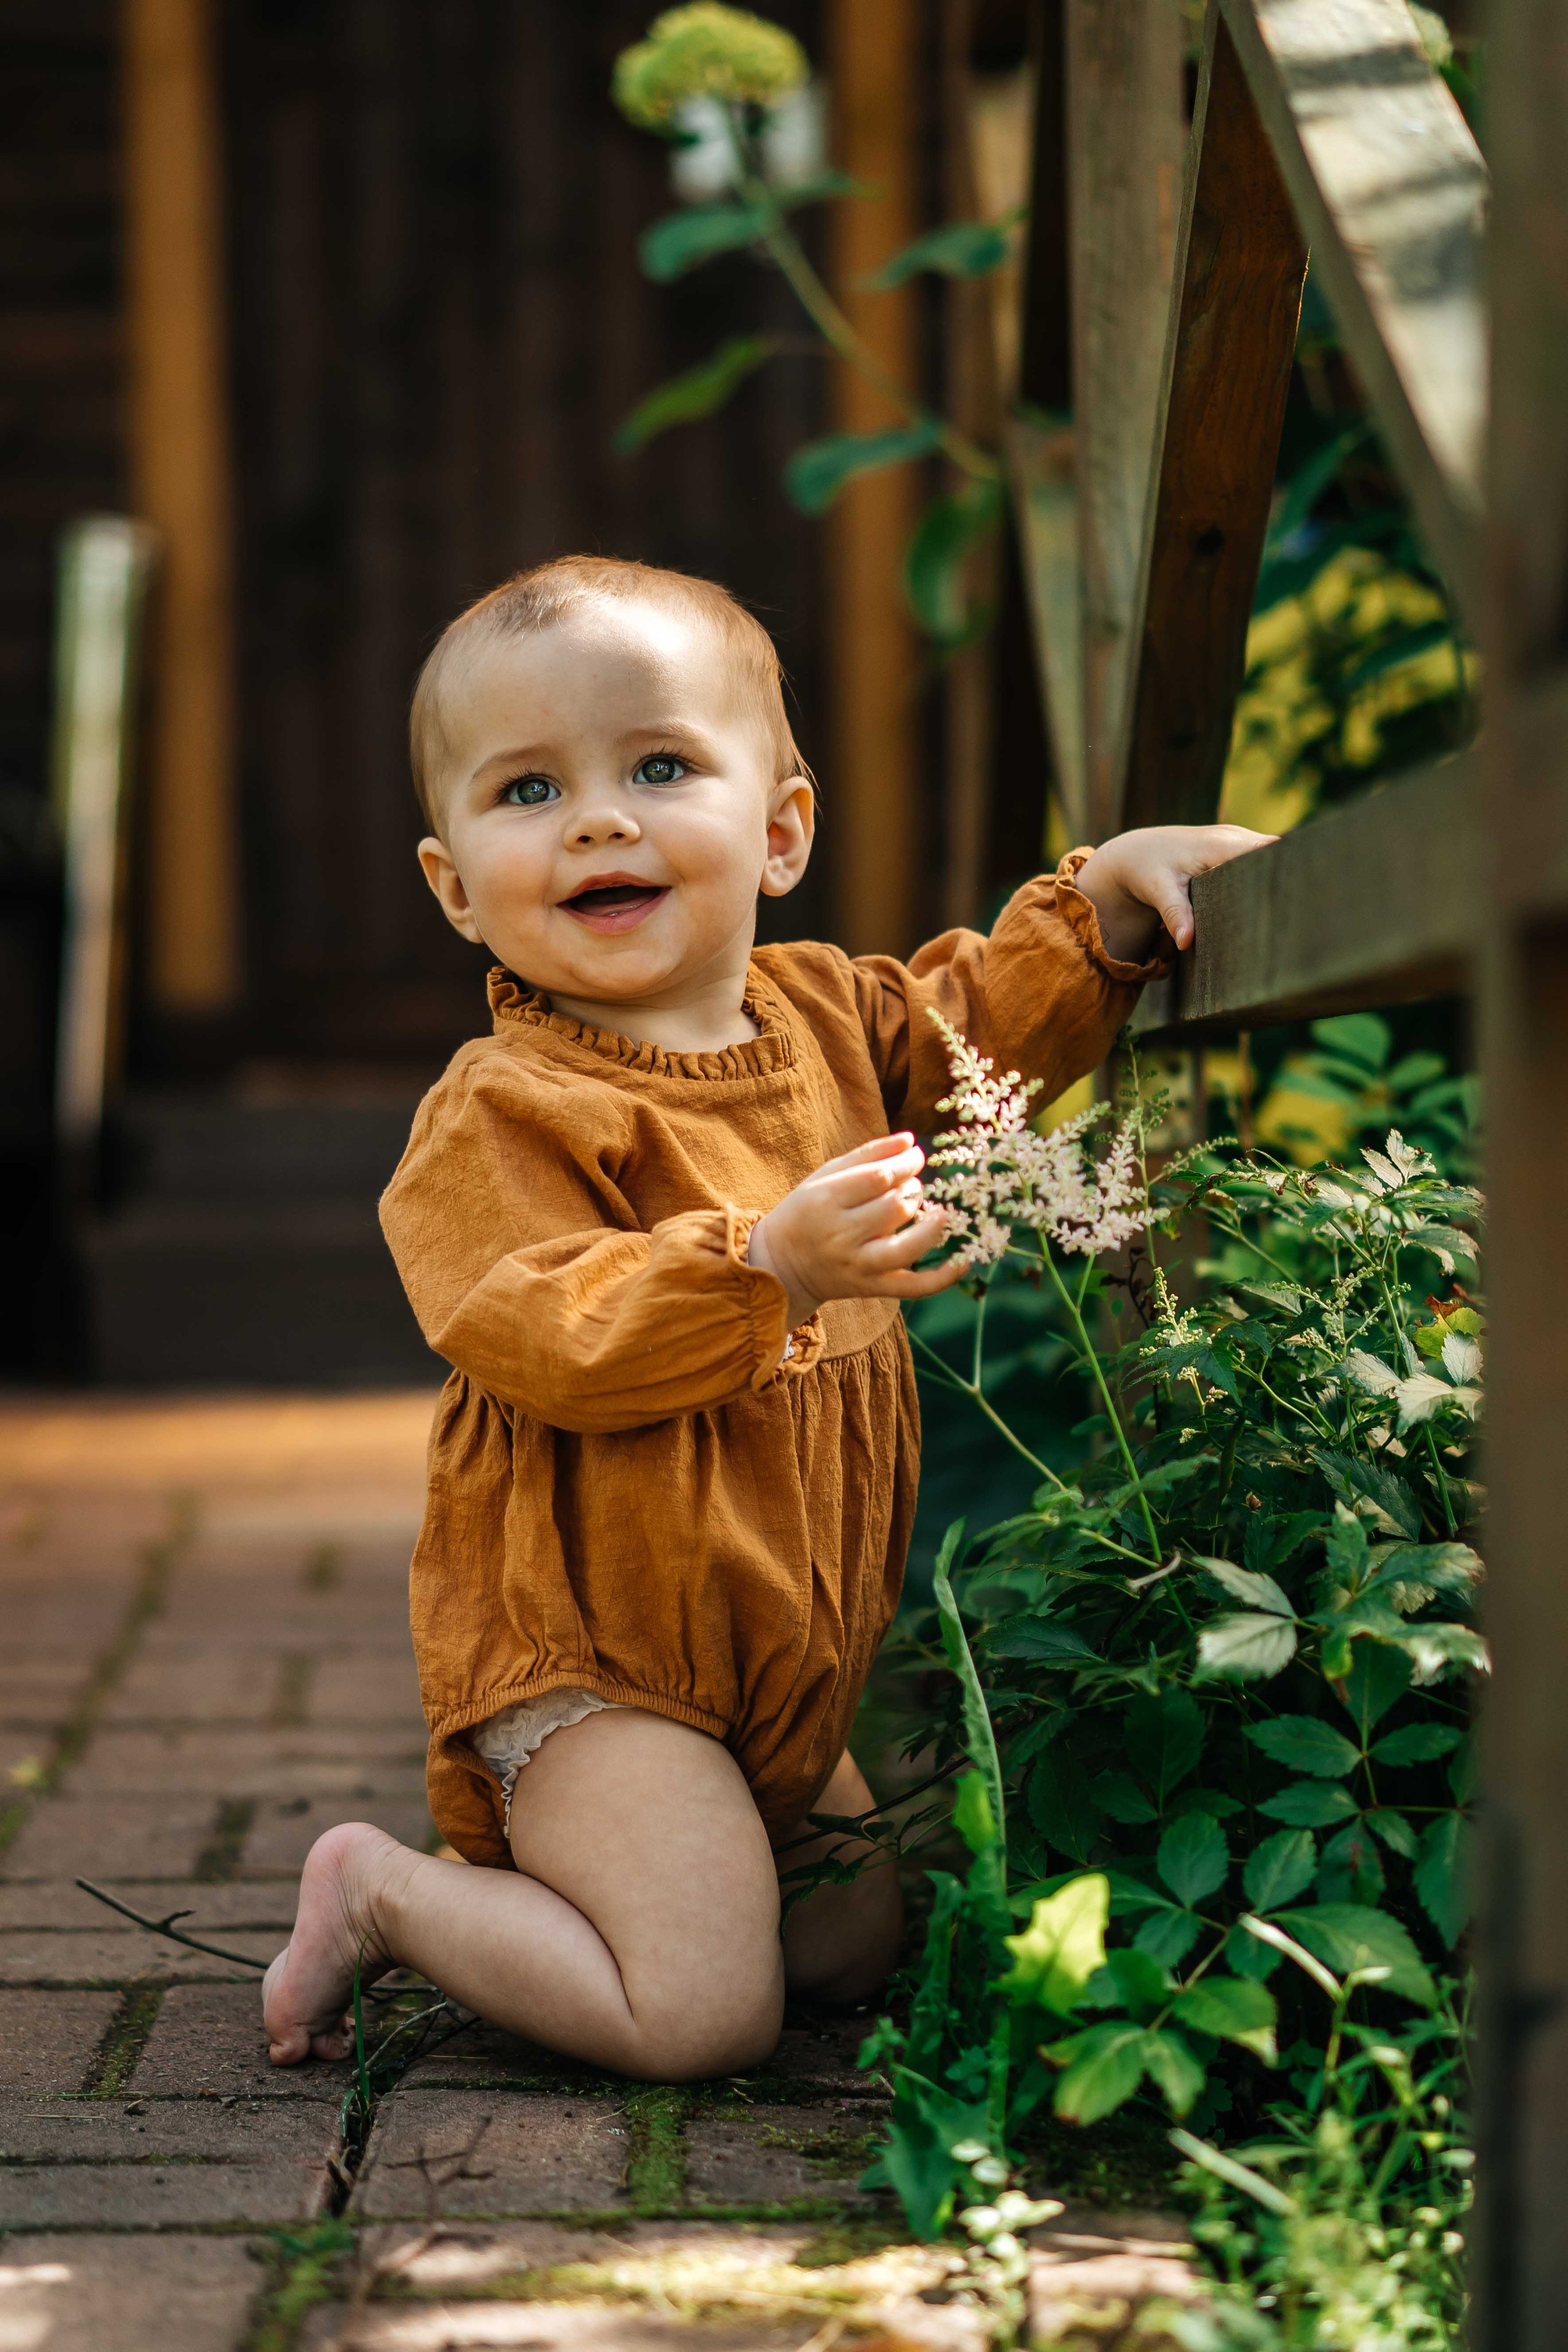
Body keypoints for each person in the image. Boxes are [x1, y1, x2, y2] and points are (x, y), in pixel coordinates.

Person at [262, 555, 1271, 2079]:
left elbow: (976, 1031)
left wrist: (1106, 912)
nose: (597, 820)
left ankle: (624, 1882)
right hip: (597, 1661)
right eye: (527, 791)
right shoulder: (501, 1109)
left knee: (850, 1945)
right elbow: (536, 1319)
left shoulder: (827, 1019)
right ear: (456, 886)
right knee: (701, 2014)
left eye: (659, 767)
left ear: (781, 830)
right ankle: (385, 1893)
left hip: (783, 1662)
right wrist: (764, 1267)